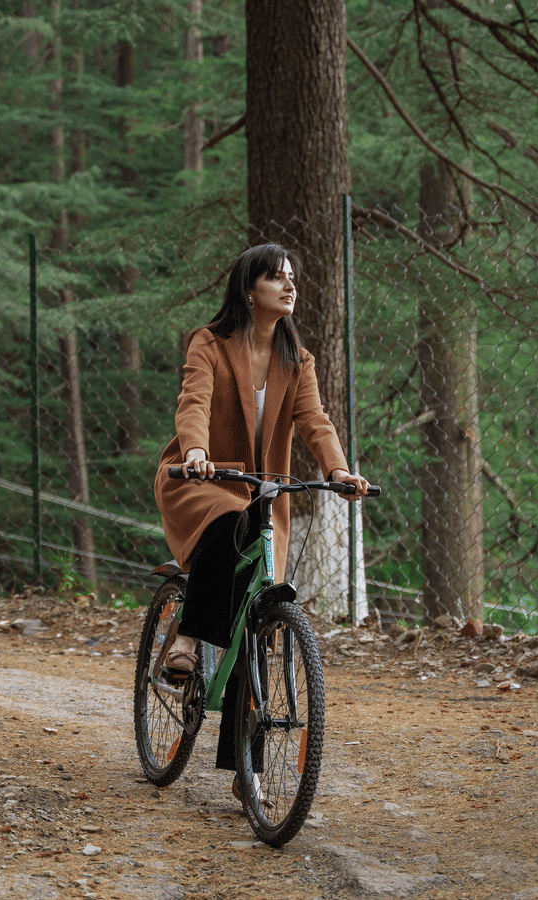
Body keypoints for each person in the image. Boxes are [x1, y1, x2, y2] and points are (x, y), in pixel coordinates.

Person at [153, 243, 369, 791]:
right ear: (249, 290)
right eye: (276, 277)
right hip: (200, 478)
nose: (289, 286)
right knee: (230, 520)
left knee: (259, 612)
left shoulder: (297, 359)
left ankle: (243, 769)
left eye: (292, 277)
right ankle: (187, 639)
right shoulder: (209, 343)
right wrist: (195, 450)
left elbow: (315, 420)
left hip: (264, 491)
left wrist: (338, 470)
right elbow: (194, 401)